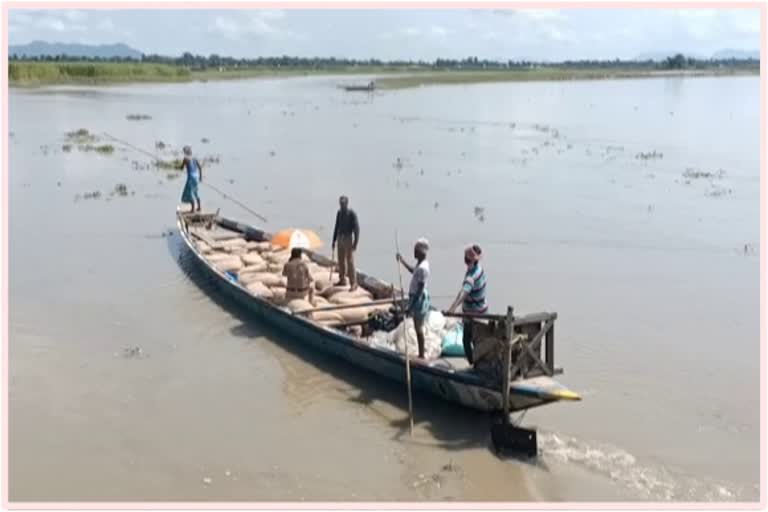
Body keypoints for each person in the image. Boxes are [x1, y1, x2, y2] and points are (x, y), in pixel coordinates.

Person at [447, 245, 487, 364]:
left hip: (472, 314)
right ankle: (478, 362)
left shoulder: (471, 276)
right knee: (477, 340)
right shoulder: (479, 269)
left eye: (466, 259)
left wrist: (453, 308)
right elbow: (463, 291)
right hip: (482, 310)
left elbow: (464, 292)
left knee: (466, 341)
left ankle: (473, 364)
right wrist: (453, 306)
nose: (465, 261)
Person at [396, 238, 431, 359]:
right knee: (418, 327)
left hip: (418, 299)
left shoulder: (423, 268)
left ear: (422, 252)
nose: (414, 253)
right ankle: (421, 353)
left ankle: (421, 355)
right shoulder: (420, 265)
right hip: (416, 298)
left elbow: (420, 291)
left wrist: (410, 307)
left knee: (418, 328)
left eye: (416, 250)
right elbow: (413, 271)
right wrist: (402, 261)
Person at [331, 195, 360, 291]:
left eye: (343, 203)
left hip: (348, 238)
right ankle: (342, 279)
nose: (342, 205)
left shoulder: (352, 214)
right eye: (340, 203)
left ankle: (353, 283)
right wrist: (334, 240)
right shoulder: (339, 213)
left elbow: (357, 229)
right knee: (340, 260)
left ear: (347, 203)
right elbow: (336, 226)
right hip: (340, 237)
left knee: (350, 261)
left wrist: (355, 243)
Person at [179, 145, 203, 213]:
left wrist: (177, 167)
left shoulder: (185, 159)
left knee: (189, 192)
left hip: (190, 177)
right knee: (195, 191)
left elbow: (181, 167)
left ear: (186, 152)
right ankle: (199, 207)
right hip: (196, 177)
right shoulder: (194, 158)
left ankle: (192, 209)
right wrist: (200, 177)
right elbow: (200, 167)